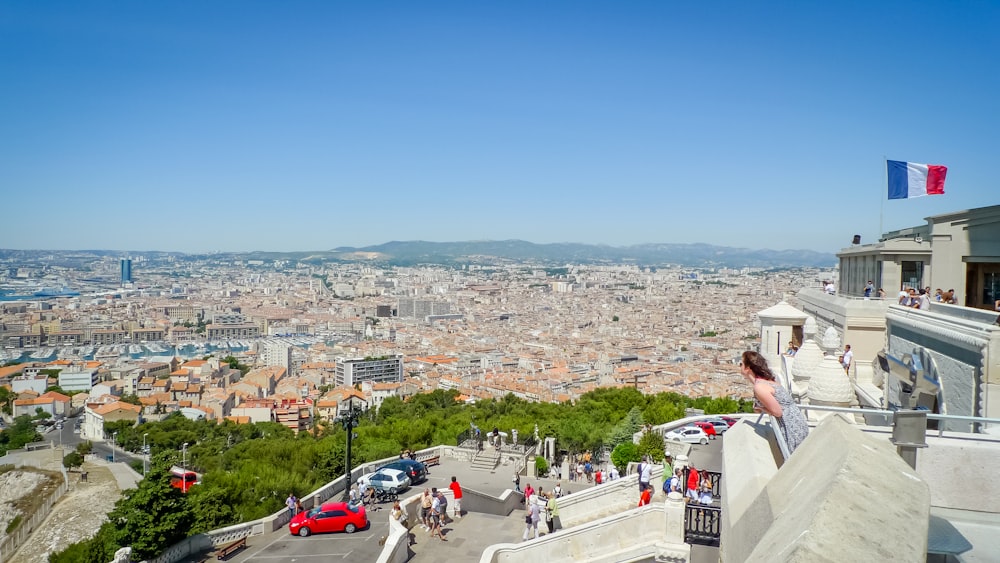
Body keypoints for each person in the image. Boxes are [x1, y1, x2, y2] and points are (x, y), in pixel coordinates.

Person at [741, 350, 810, 454]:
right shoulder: (769, 381)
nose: (739, 366)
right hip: (797, 421)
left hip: (790, 426)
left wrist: (761, 408)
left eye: (741, 364)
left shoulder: (759, 387)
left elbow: (777, 412)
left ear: (748, 368)